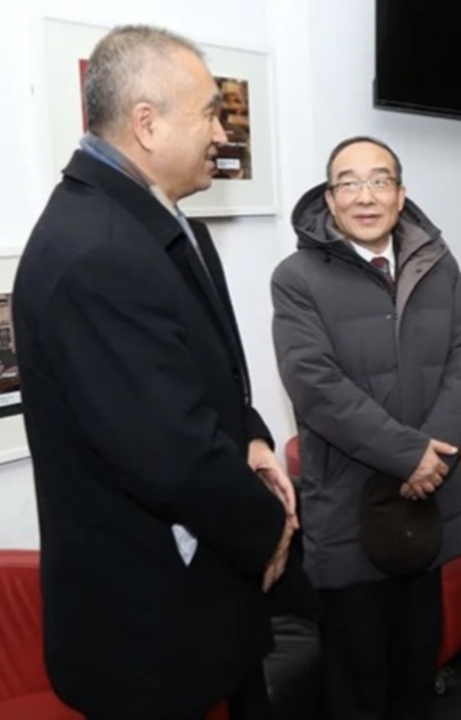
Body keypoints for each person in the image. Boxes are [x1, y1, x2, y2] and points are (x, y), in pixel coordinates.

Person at [14, 25, 295, 720]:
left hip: (206, 597)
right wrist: (272, 526)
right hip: (148, 626)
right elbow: (171, 455)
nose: (222, 132)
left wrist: (255, 436)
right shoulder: (96, 252)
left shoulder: (168, 224)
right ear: (146, 123)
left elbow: (212, 373)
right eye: (209, 112)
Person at [271, 136, 461, 720]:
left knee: (418, 659)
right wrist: (408, 457)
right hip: (348, 502)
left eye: (379, 181)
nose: (365, 196)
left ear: (401, 192)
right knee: (358, 672)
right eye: (349, 183)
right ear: (330, 199)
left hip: (426, 500)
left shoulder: (436, 264)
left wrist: (430, 457)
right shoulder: (297, 277)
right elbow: (314, 387)